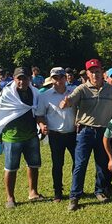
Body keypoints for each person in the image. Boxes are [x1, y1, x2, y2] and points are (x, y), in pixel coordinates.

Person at [60, 59, 112, 211]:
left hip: (104, 132)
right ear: (87, 74)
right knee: (80, 164)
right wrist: (65, 102)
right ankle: (74, 196)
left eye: (97, 71)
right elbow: (70, 100)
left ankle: (99, 191)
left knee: (102, 164)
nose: (95, 74)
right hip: (85, 132)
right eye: (92, 72)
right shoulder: (82, 89)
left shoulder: (110, 90)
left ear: (102, 72)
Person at [0, 67, 43, 208]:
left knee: (33, 165)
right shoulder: (6, 95)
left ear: (30, 79)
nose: (22, 81)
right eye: (19, 78)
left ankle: (33, 192)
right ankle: (10, 198)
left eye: (25, 77)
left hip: (31, 135)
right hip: (12, 137)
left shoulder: (36, 93)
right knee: (10, 168)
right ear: (14, 79)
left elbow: (39, 111)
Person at [35, 67, 77, 202]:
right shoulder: (44, 96)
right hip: (55, 135)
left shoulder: (74, 92)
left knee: (78, 163)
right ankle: (58, 192)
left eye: (61, 77)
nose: (58, 80)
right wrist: (42, 125)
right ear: (51, 79)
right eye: (55, 78)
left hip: (74, 134)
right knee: (57, 165)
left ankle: (75, 190)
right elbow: (40, 115)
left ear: (65, 78)